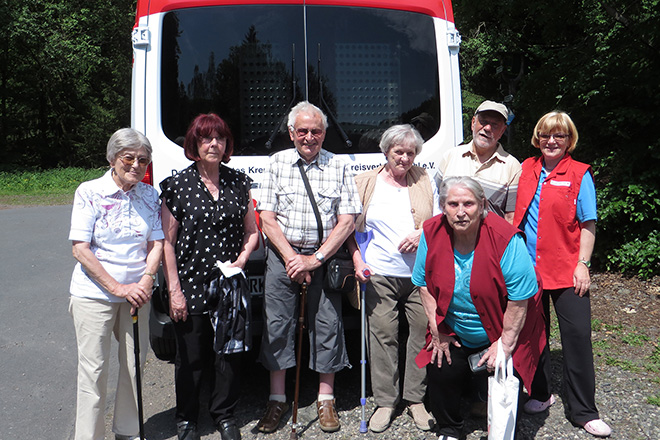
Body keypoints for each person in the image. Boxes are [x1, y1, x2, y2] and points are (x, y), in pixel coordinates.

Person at [413, 176, 545, 440]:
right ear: (443, 206)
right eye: (453, 204)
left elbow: (519, 300)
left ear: (482, 205)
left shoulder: (505, 239)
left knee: (506, 376)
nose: (460, 212)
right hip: (455, 327)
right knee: (440, 367)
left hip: (501, 326)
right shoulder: (431, 231)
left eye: (468, 204)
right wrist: (438, 329)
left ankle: (502, 427)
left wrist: (504, 344)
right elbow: (424, 285)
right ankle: (449, 430)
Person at [256, 101, 361, 433]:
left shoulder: (339, 166)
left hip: (324, 258)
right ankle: (276, 399)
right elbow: (267, 220)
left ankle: (326, 400)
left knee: (329, 326)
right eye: (302, 131)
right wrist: (292, 259)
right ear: (291, 133)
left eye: (316, 131)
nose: (309, 137)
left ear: (324, 133)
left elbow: (347, 221)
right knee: (276, 325)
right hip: (283, 256)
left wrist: (314, 260)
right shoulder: (276, 164)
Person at [160, 114, 259, 440]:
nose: (214, 144)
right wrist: (174, 291)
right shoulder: (177, 186)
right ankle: (187, 418)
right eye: (206, 139)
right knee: (191, 357)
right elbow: (167, 243)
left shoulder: (239, 182)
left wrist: (243, 259)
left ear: (227, 144)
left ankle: (224, 414)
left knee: (228, 355)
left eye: (220, 138)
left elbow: (251, 231)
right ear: (195, 144)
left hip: (229, 284)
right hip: (190, 284)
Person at [514, 111, 611, 437]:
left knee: (577, 337)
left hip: (567, 271)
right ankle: (541, 393)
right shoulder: (526, 168)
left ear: (569, 140)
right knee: (533, 337)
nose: (551, 141)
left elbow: (588, 224)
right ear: (537, 138)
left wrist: (583, 263)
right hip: (529, 270)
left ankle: (584, 411)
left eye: (559, 136)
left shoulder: (580, 174)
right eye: (545, 135)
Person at [68, 128, 164, 440]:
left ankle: (128, 431)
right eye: (129, 158)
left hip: (137, 294)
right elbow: (80, 248)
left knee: (134, 366)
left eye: (143, 160)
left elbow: (157, 244)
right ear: (113, 159)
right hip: (94, 295)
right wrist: (118, 288)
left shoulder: (150, 195)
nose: (136, 165)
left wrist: (147, 279)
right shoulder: (89, 192)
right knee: (93, 372)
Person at [348, 124, 439, 433]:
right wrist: (357, 259)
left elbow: (440, 220)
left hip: (419, 275)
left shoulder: (425, 179)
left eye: (410, 152)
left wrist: (421, 232)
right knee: (382, 335)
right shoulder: (365, 182)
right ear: (385, 151)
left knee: (421, 333)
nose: (404, 158)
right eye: (398, 152)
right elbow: (349, 227)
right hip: (379, 273)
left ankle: (416, 400)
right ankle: (386, 402)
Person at [434, 100, 521, 223]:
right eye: (483, 122)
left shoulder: (512, 166)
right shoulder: (450, 156)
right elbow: (433, 200)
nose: (487, 128)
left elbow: (511, 217)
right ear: (473, 122)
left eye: (495, 125)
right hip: (448, 239)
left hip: (489, 240)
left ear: (502, 131)